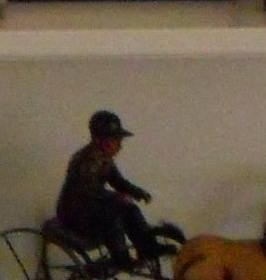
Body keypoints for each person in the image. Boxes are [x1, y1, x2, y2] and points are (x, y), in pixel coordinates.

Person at [51, 110, 178, 265]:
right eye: (115, 140)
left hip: (92, 207)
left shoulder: (105, 159)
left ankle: (147, 247)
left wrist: (136, 192)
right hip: (75, 211)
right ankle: (120, 257)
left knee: (130, 208)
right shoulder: (86, 161)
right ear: (100, 140)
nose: (119, 146)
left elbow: (117, 181)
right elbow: (86, 192)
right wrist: (113, 198)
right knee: (113, 215)